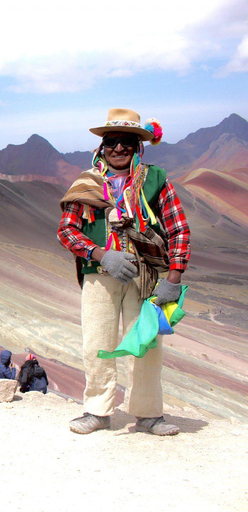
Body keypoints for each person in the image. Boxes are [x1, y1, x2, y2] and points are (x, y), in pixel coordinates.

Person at [57, 108, 190, 436]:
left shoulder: (156, 179)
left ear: (138, 146)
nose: (119, 149)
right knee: (96, 342)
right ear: (101, 147)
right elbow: (67, 230)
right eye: (112, 142)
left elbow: (179, 228)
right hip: (100, 275)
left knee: (145, 342)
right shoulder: (87, 184)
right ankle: (98, 410)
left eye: (127, 142)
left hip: (144, 277)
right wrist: (100, 254)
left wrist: (174, 278)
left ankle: (148, 414)